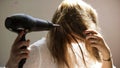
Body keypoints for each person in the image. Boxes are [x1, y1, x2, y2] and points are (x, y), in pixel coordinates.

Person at [5, 0, 116, 68]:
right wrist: (12, 64)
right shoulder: (37, 52)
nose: (78, 42)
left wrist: (107, 55)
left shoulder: (85, 48)